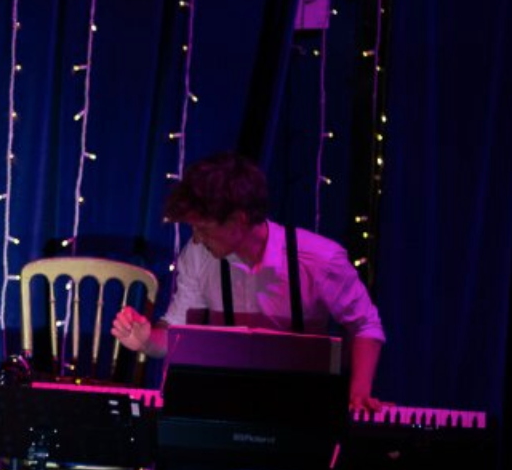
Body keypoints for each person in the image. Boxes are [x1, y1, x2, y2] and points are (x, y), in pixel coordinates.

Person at [110, 151, 386, 411]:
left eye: (203, 228)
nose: (196, 238)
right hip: (228, 407)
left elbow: (365, 325)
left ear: (238, 220)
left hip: (300, 407)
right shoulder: (197, 256)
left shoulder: (320, 259)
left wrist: (358, 392)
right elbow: (177, 334)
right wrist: (146, 339)